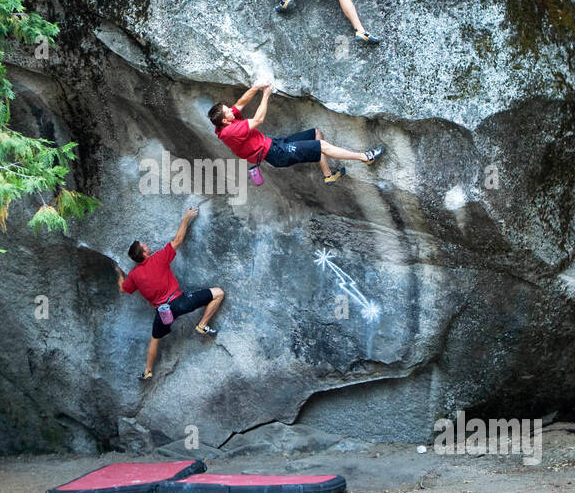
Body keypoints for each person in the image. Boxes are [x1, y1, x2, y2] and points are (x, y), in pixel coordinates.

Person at [117, 207, 224, 383]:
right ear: (144, 253)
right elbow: (178, 240)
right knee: (218, 293)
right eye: (144, 245)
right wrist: (186, 218)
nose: (146, 245)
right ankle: (202, 325)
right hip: (180, 302)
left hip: (163, 313)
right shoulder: (159, 258)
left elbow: (123, 289)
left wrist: (120, 275)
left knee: (154, 339)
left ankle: (148, 372)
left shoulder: (134, 276)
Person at [207, 82, 384, 184]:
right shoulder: (230, 131)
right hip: (276, 153)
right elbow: (259, 119)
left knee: (316, 134)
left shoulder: (222, 124)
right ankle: (365, 157)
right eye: (227, 111)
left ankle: (328, 176)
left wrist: (255, 87)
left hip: (275, 144)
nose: (231, 110)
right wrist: (266, 94)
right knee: (320, 145)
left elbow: (240, 104)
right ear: (225, 120)